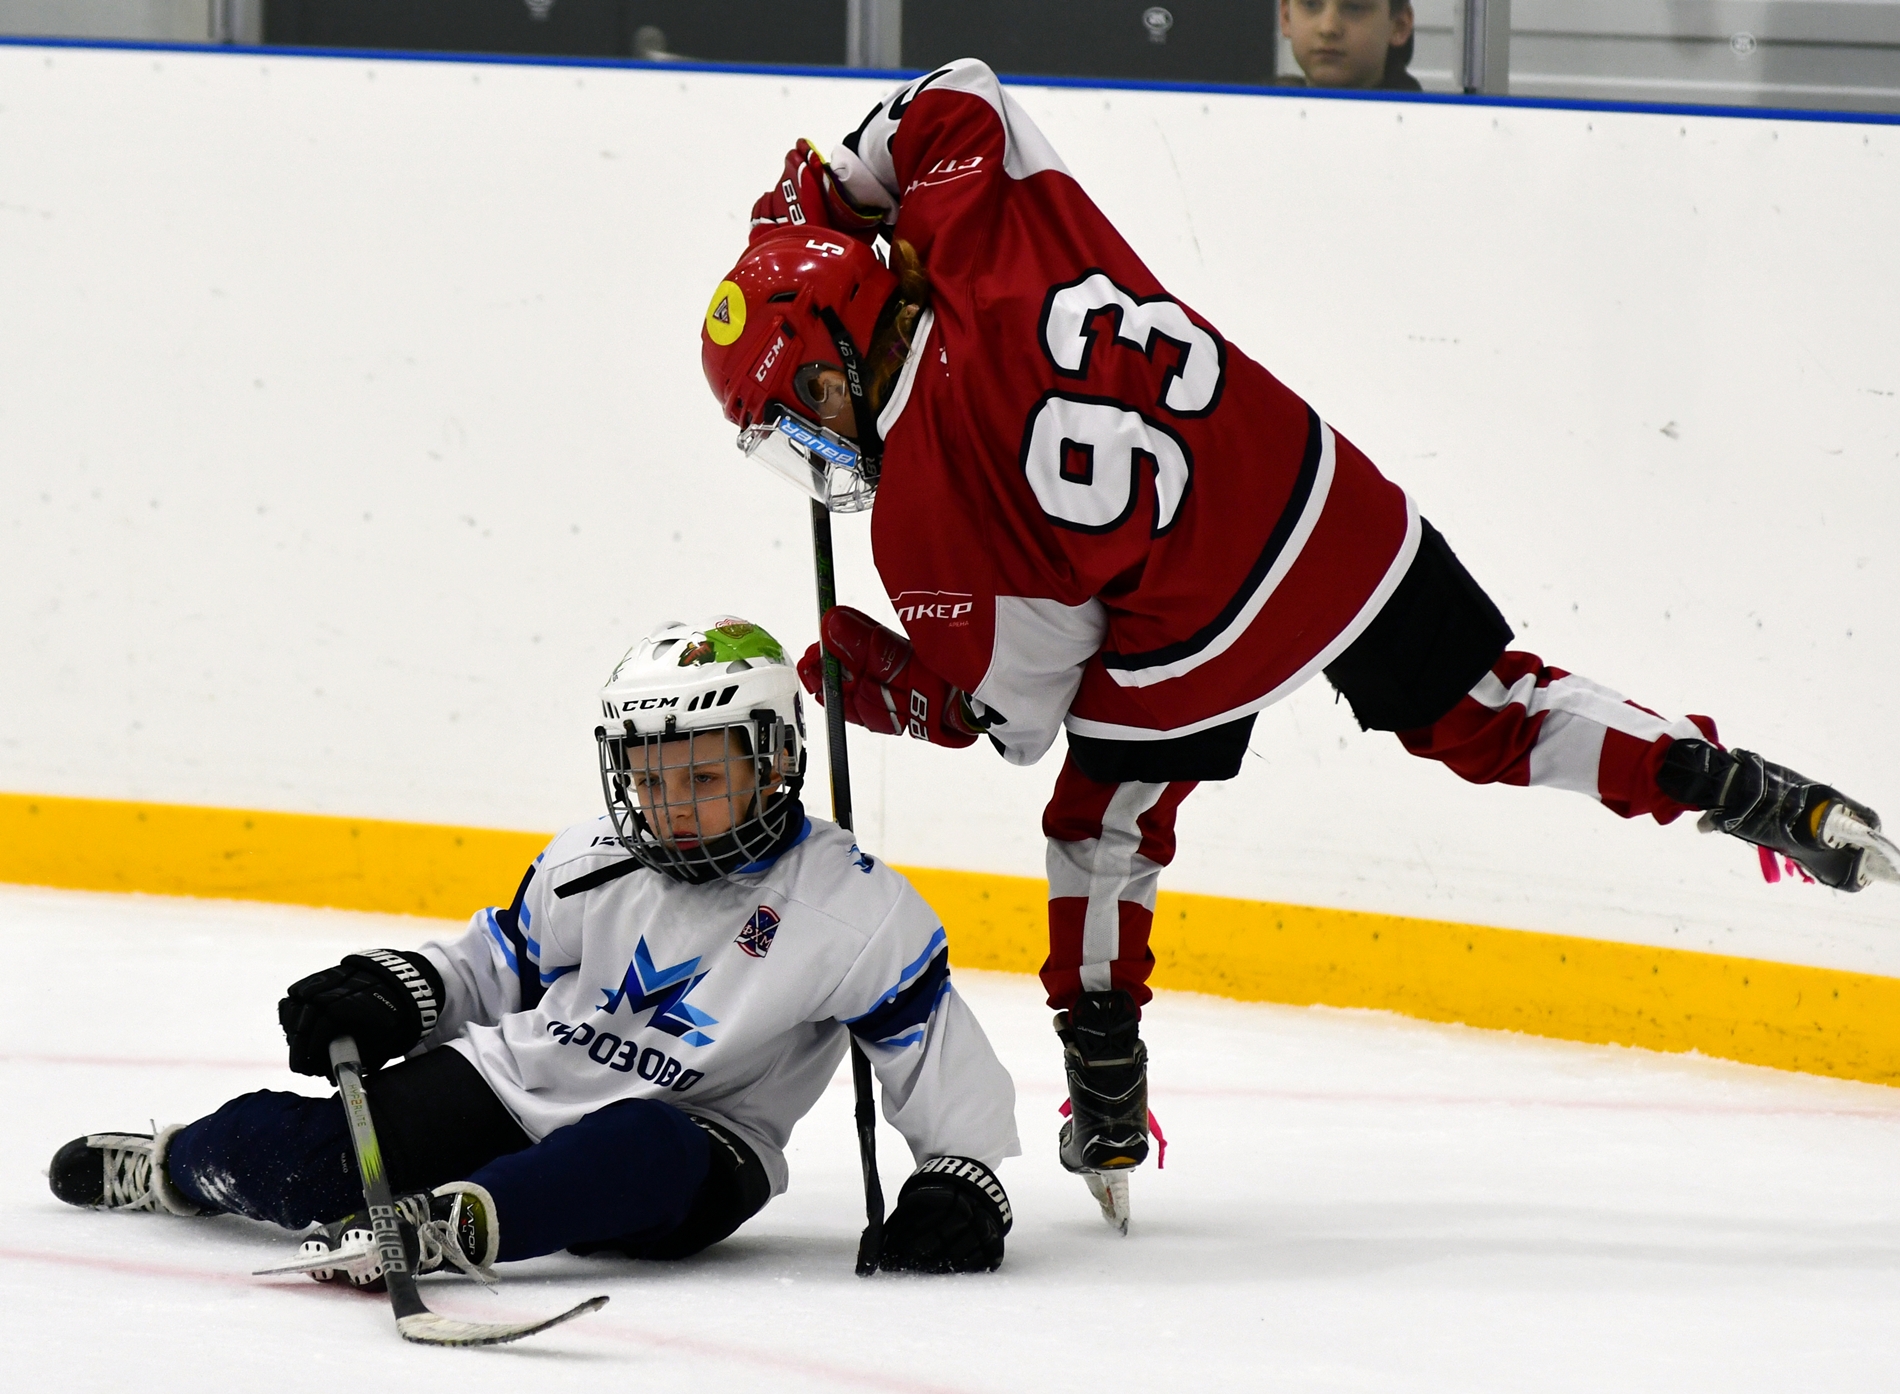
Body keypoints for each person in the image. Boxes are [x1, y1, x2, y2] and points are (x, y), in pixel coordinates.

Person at [696, 60, 1895, 1229]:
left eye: (800, 410)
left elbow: (1021, 712)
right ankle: (1730, 783)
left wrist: (913, 693)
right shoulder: (976, 226)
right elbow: (959, 92)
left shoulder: (925, 527)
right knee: (1488, 707)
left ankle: (1105, 1076)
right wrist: (823, 191)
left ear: (834, 348)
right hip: (1321, 501)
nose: (811, 448)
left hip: (1195, 635)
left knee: (1098, 827)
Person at [47, 616, 1020, 1278]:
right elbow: (491, 964)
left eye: (702, 773)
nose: (669, 803)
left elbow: (934, 1058)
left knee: (636, 1144)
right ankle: (178, 1164)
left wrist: (960, 1177)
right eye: (649, 774)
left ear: (772, 763)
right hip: (523, 1077)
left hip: (702, 1133)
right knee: (318, 1158)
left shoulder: (852, 907)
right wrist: (400, 987)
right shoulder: (590, 857)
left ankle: (441, 1227)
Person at [1280, 0, 1420, 92]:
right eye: (1310, 4)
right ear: (1286, 16)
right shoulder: (1264, 115)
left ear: (1399, 26)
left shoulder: (1423, 129)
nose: (1328, 28)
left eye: (1354, 7)